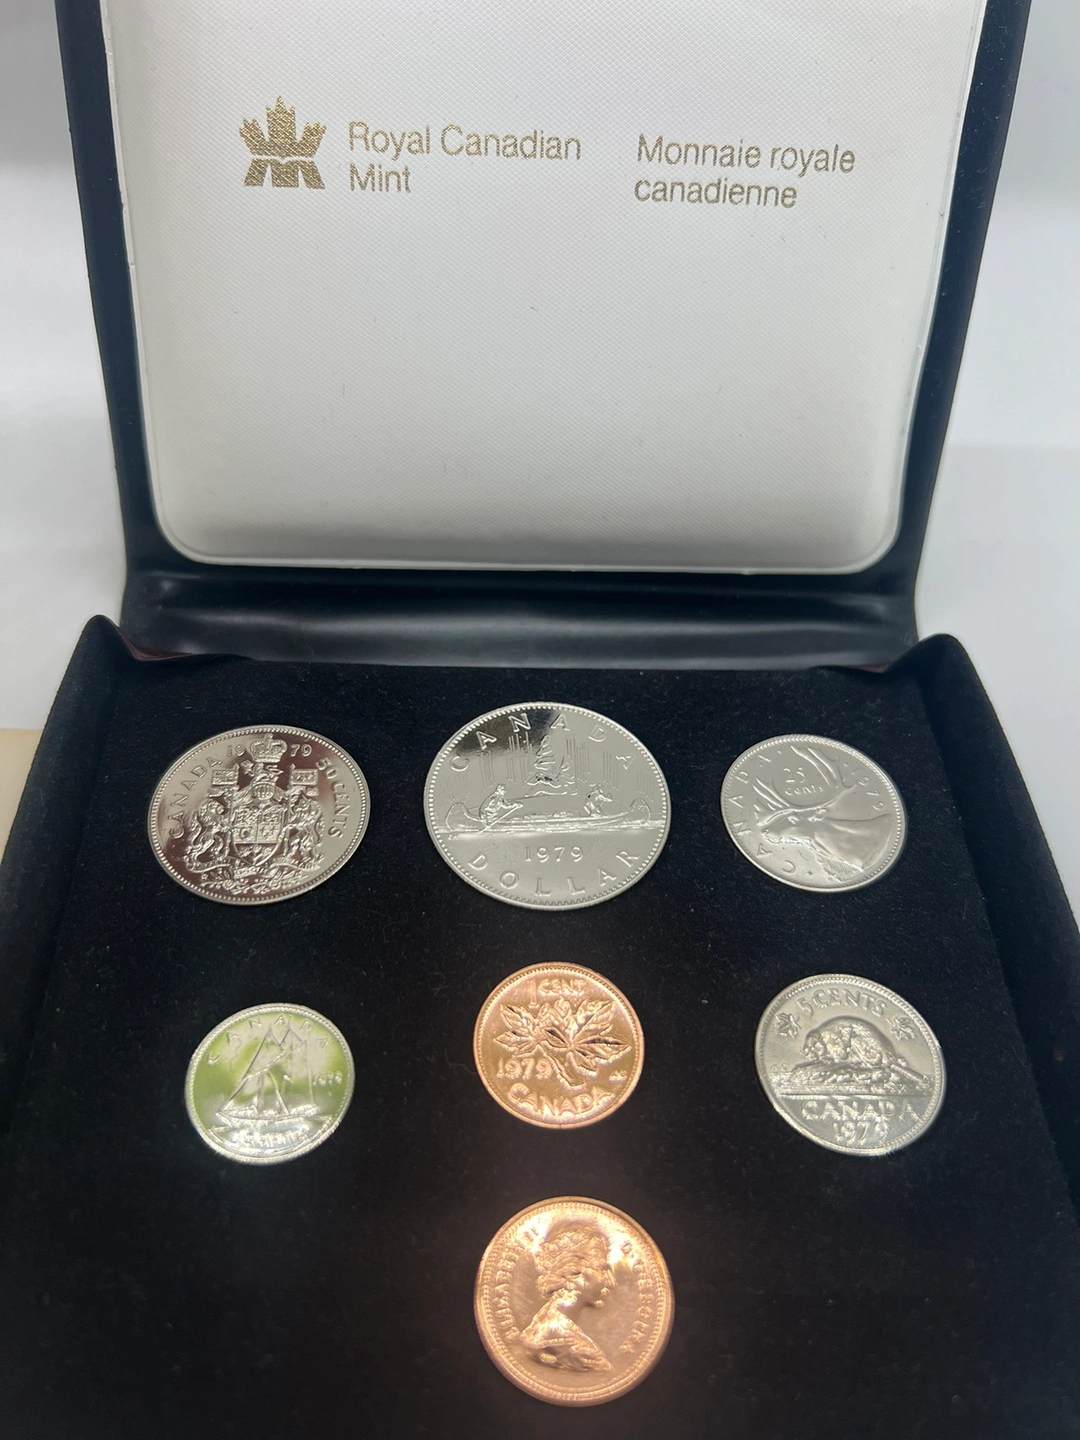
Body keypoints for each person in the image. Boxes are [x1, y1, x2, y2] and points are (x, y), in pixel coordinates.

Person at [520, 1223, 615, 1372]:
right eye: (601, 1269)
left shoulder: (542, 1325)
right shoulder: (570, 1346)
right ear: (573, 1274)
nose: (609, 1280)